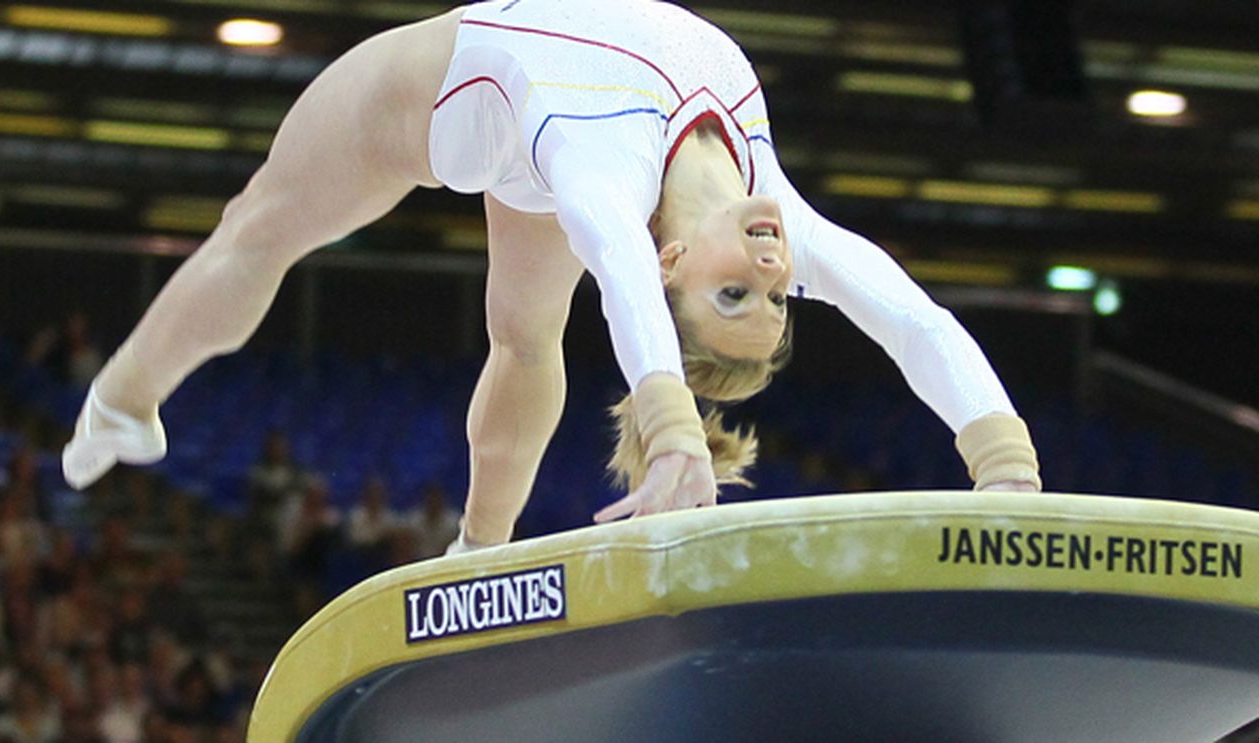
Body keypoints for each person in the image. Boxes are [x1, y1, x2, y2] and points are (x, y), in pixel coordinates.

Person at [61, 0, 1040, 553]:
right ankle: (124, 398)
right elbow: (914, 317)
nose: (778, 274)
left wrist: (670, 437)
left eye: (735, 295)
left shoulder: (610, 188)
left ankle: (477, 546)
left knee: (517, 329)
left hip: (420, 114)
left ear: (676, 264)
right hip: (490, 84)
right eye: (776, 304)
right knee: (257, 234)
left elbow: (616, 267)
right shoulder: (770, 198)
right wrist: (1009, 467)